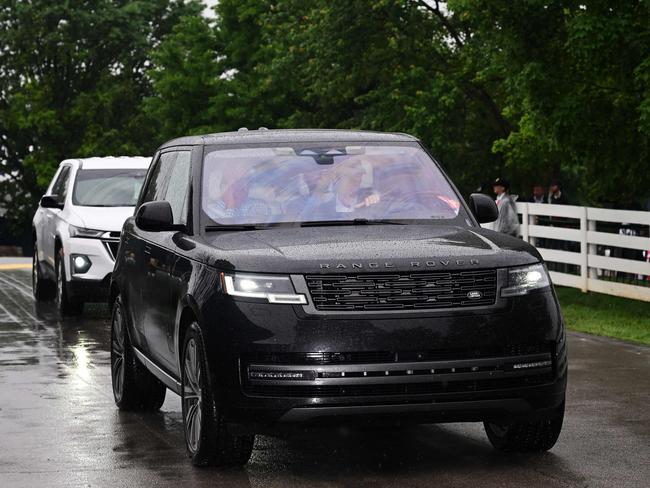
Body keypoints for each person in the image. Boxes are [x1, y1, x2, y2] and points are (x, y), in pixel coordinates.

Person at [205, 164, 270, 221]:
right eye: (235, 183)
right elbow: (226, 230)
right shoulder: (211, 211)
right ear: (223, 188)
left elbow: (261, 226)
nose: (242, 192)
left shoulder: (256, 205)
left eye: (245, 188)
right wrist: (231, 206)